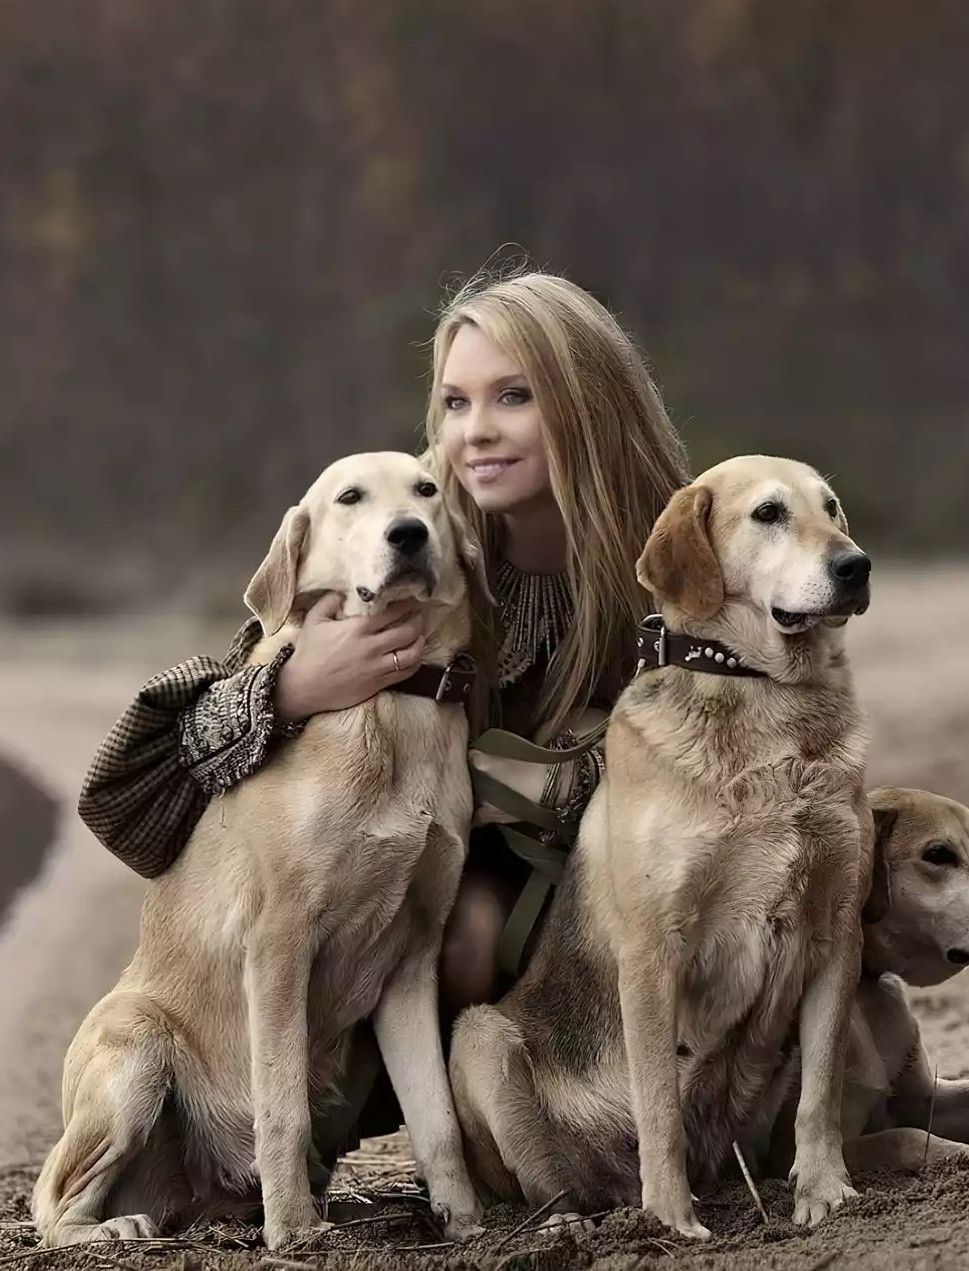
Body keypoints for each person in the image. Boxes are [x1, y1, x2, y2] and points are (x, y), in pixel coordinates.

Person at [77, 268, 689, 1008]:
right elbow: (144, 796)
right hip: (415, 889)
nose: (477, 431)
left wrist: (569, 778)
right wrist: (294, 687)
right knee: (467, 933)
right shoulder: (407, 532)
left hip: (629, 879)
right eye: (455, 403)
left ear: (589, 402)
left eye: (514, 396)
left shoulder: (681, 557)